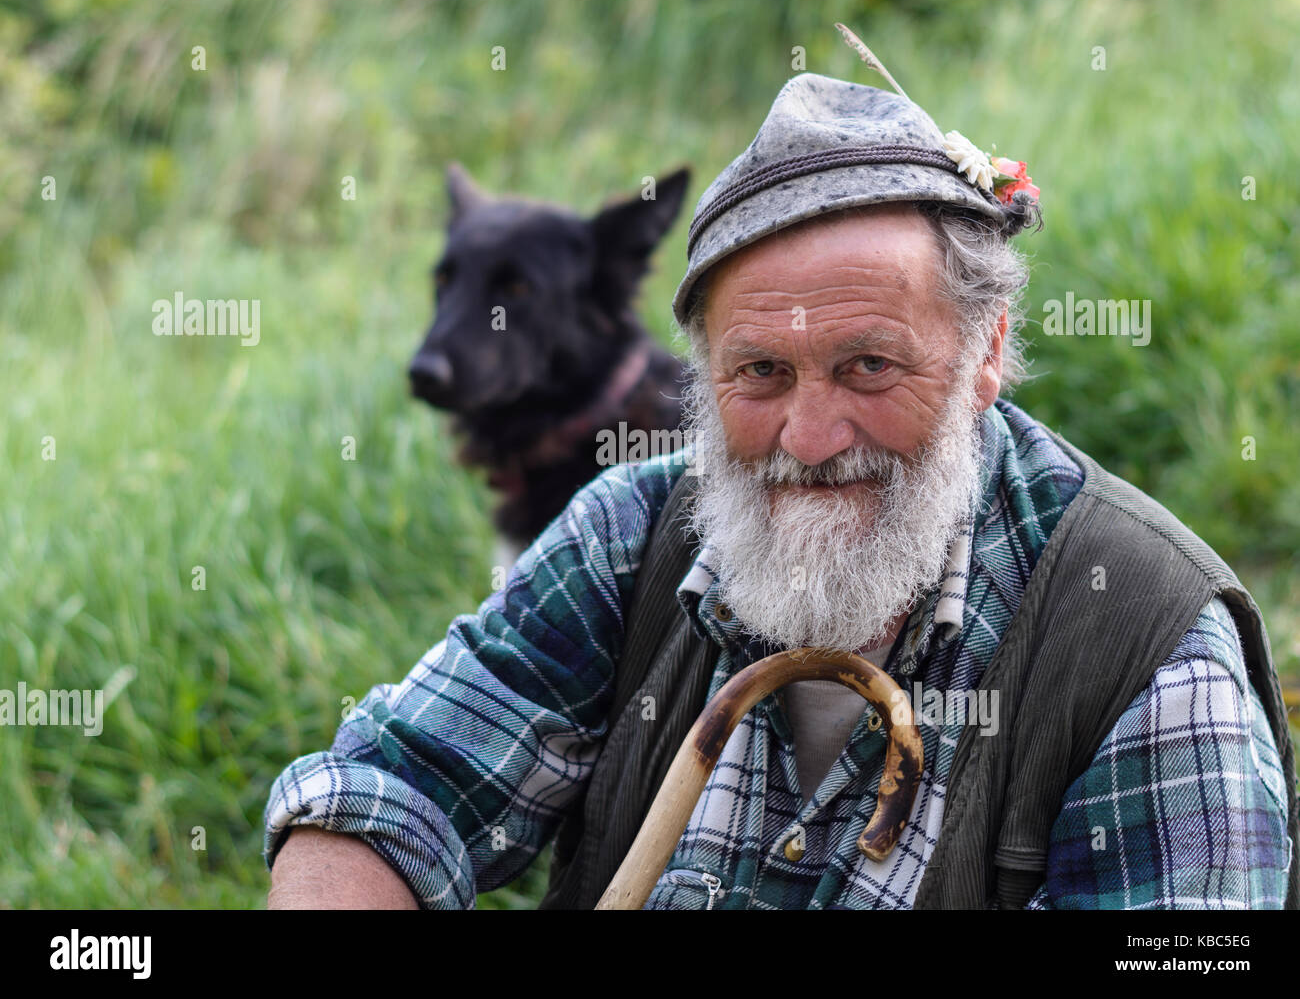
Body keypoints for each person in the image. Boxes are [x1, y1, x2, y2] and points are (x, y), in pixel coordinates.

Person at [264, 70, 1297, 910]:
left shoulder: (1142, 651)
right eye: (760, 373)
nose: (808, 438)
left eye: (868, 367)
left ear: (986, 352)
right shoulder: (632, 536)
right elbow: (393, 787)